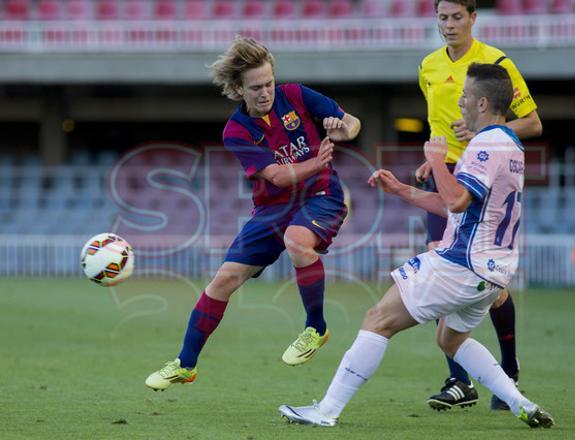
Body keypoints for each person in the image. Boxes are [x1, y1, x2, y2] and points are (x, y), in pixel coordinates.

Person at [279, 63, 554, 429]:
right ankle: (519, 402)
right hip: (496, 270)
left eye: (466, 96)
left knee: (377, 320)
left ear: (483, 103)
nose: (460, 102)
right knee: (451, 339)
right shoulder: (511, 145)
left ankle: (326, 411)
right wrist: (403, 190)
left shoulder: (484, 143)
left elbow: (455, 201)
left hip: (463, 262)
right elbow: (456, 206)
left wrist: (438, 160)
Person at [145, 37, 361, 390]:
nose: (265, 93)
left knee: (297, 241)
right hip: (272, 207)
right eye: (256, 87)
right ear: (237, 89)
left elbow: (352, 123)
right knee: (223, 280)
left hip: (321, 196)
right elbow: (275, 175)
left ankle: (315, 328)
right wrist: (316, 161)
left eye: (269, 83)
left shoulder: (296, 95)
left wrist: (343, 129)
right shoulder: (236, 130)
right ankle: (185, 364)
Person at [415, 0, 542, 411]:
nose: (449, 25)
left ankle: (508, 365)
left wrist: (484, 131)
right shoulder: (428, 67)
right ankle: (459, 380)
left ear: (473, 18)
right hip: (448, 175)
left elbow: (533, 123)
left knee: (492, 288)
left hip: (486, 175)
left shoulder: (495, 63)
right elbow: (438, 127)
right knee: (440, 262)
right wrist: (433, 160)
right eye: (442, 18)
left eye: (457, 17)